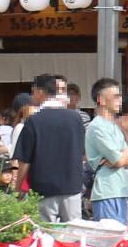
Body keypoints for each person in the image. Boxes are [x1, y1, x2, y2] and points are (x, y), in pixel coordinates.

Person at [11, 73, 87, 222]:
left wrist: (18, 186)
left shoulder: (33, 121)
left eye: (33, 91)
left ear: (40, 92)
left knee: (45, 235)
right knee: (73, 235)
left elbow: (25, 160)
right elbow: (83, 155)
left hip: (43, 189)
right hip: (72, 187)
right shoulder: (75, 118)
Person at [83, 79, 128, 225]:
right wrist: (120, 158)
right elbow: (119, 160)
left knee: (121, 239)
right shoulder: (96, 126)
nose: (120, 100)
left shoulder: (113, 126)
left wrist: (120, 158)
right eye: (116, 97)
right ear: (101, 100)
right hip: (106, 190)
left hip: (120, 189)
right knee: (110, 238)